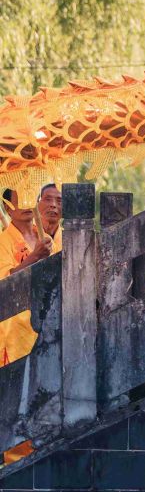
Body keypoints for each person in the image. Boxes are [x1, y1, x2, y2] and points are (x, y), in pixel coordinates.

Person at [0, 185, 62, 463]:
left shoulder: (44, 236)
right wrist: (35, 257)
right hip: (15, 330)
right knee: (17, 396)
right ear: (7, 207)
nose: (26, 203)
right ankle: (17, 460)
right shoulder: (3, 241)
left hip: (47, 325)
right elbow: (5, 283)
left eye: (29, 196)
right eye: (18, 199)